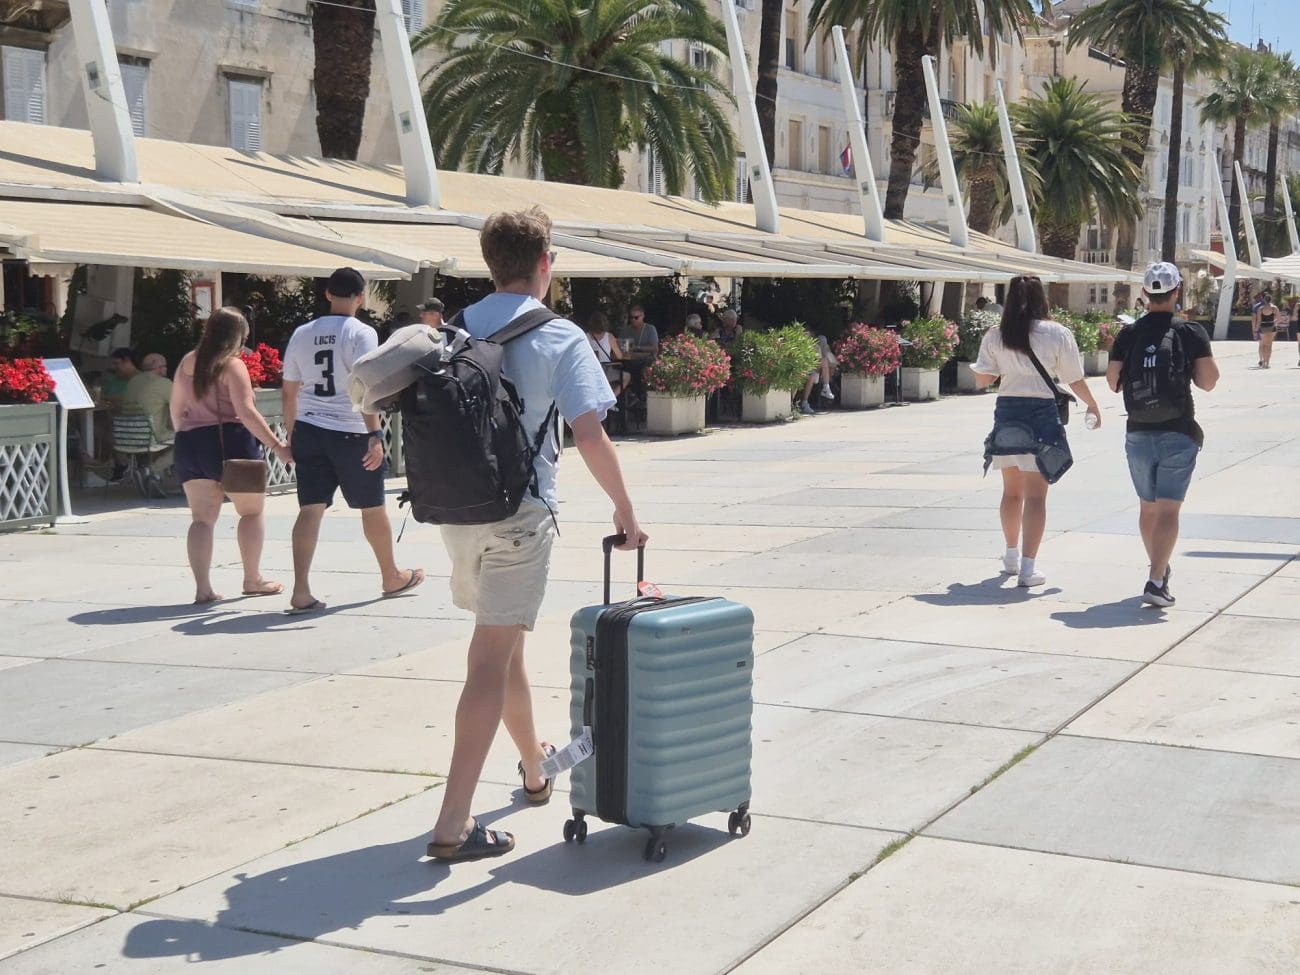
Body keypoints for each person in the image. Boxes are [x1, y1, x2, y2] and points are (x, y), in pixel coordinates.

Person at [426, 206, 647, 864]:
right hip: (520, 517)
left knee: (506, 646)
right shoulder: (560, 335)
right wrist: (625, 510)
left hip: (458, 514)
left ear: (490, 263)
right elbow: (589, 433)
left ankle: (534, 767)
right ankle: (453, 822)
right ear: (545, 263)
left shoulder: (454, 328)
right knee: (489, 659)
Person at [281, 267, 425, 615]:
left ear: (328, 294)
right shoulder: (361, 333)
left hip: (309, 427)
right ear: (361, 297)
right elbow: (367, 384)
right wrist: (374, 434)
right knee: (372, 507)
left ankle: (301, 590)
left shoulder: (302, 333)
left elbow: (289, 391)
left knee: (310, 508)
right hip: (350, 429)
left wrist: (292, 435)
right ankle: (390, 575)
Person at [973, 275, 1101, 588]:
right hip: (1041, 414)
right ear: (1041, 298)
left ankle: (1011, 557)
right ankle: (1028, 569)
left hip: (1008, 413)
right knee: (1036, 496)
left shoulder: (996, 334)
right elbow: (1073, 378)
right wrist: (1092, 404)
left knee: (1011, 492)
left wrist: (1008, 365)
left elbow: (982, 380)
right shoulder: (1057, 333)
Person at [1107, 262, 1219, 608]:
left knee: (1148, 507)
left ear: (1144, 294)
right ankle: (1156, 579)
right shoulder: (1190, 332)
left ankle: (1158, 568)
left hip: (1138, 431)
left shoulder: (1128, 334)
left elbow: (1112, 382)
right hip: (1178, 429)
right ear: (1176, 291)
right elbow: (1208, 381)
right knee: (1169, 509)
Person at [170, 309, 293, 604]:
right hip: (232, 443)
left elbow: (176, 408)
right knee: (251, 513)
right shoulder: (232, 365)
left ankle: (203, 589)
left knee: (201, 520)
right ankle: (252, 579)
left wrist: (188, 434)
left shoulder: (187, 362)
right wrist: (278, 446)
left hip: (190, 444)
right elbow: (246, 412)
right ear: (237, 336)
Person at [124, 352, 175, 478]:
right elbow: (180, 406)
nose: (166, 369)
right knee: (189, 440)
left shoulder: (133, 381)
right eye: (165, 366)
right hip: (151, 437)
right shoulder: (164, 383)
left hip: (127, 436)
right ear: (159, 368)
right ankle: (151, 470)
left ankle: (153, 474)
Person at [586, 310, 630, 398]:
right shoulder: (609, 336)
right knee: (627, 376)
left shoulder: (586, 337)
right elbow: (619, 356)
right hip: (605, 370)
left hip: (590, 372)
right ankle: (612, 397)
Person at [794, 333, 838, 416]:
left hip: (814, 371)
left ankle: (825, 387)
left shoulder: (816, 347)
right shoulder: (799, 346)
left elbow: (833, 364)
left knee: (821, 363)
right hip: (804, 370)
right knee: (813, 374)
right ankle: (805, 402)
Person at [1253, 291, 1279, 368]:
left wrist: (1256, 330)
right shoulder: (1274, 308)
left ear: (1264, 300)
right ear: (1271, 300)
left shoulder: (1260, 309)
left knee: (1263, 345)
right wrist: (1274, 322)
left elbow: (1259, 321)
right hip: (1272, 326)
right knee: (1269, 345)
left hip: (1263, 327)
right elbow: (1279, 318)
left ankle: (1264, 361)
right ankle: (1267, 362)